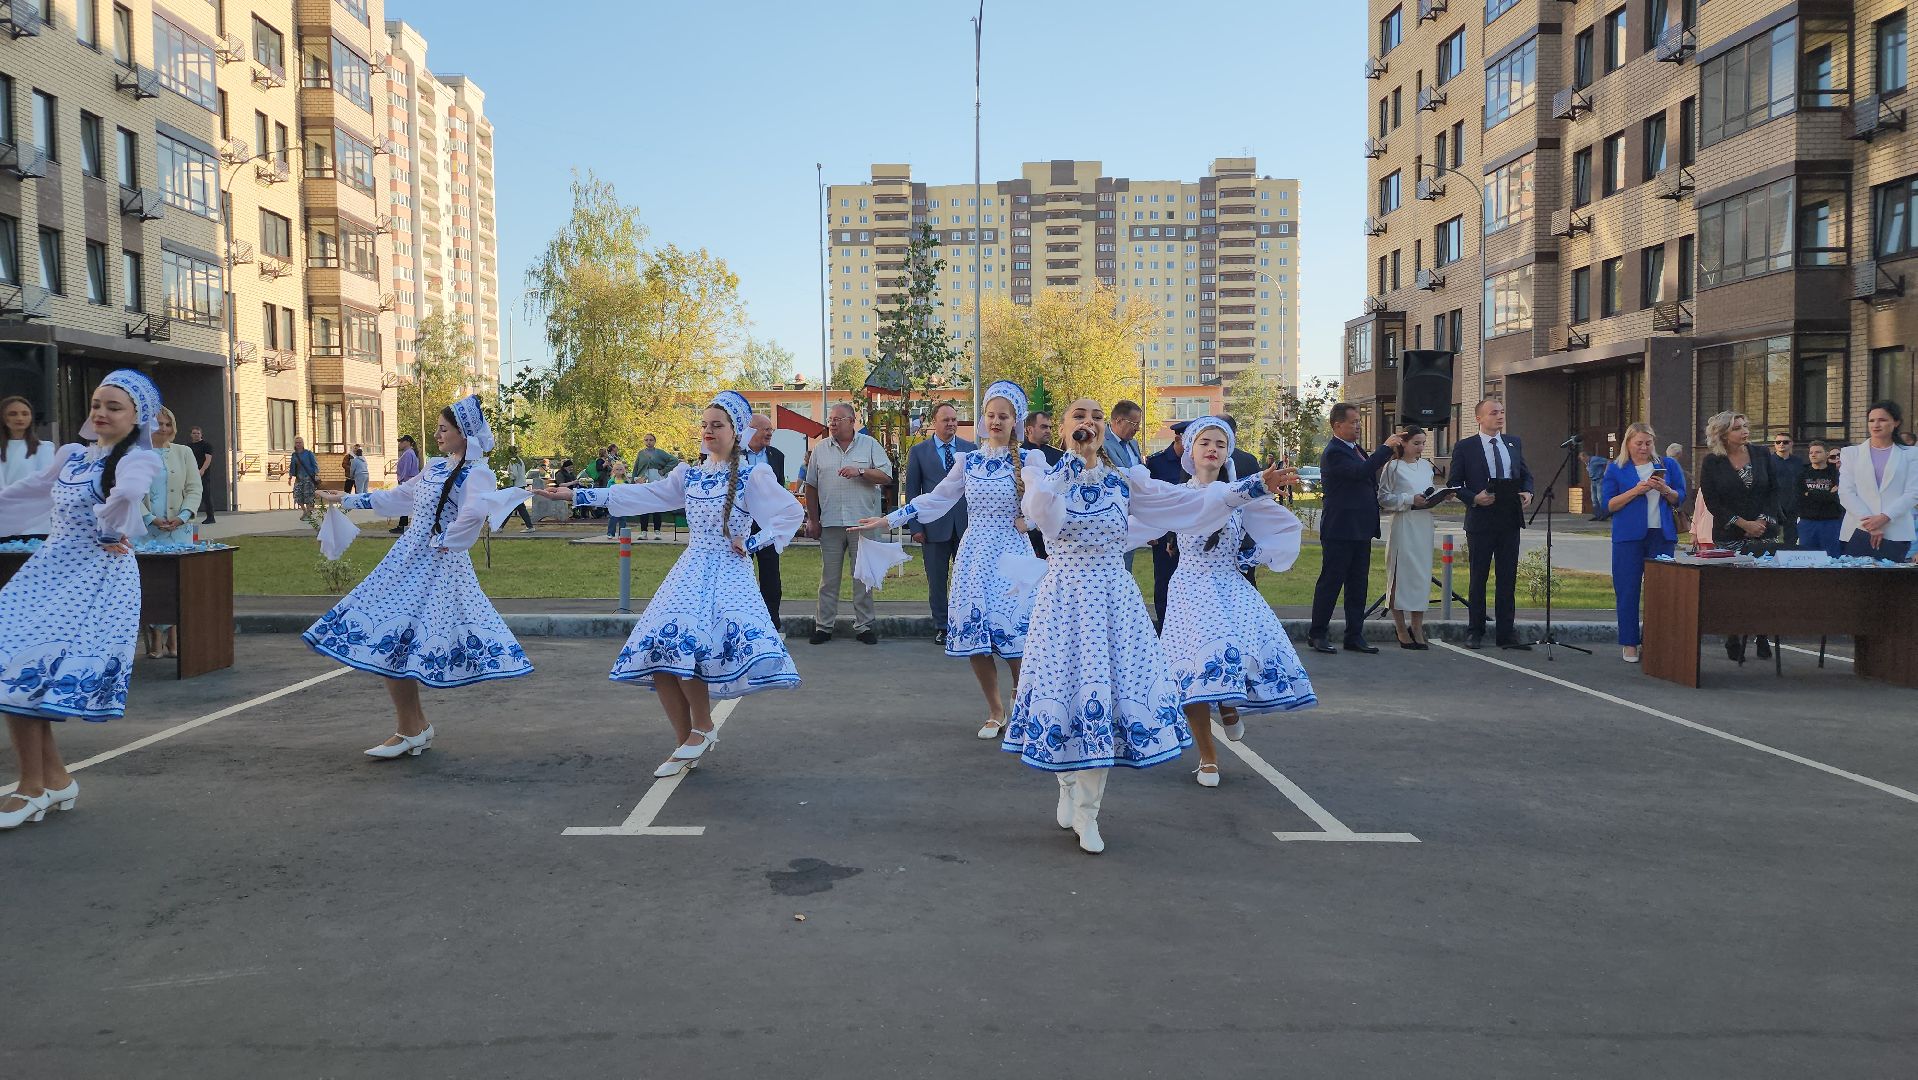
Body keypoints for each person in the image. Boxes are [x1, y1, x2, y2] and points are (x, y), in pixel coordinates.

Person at [1006, 398, 1290, 853]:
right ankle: (1065, 787)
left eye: (1096, 417)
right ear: (1062, 430)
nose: (1090, 424)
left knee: (1105, 697)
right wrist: (1072, 463)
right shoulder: (1044, 475)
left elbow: (1190, 503)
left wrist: (1253, 485)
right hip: (1064, 602)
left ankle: (1089, 811)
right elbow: (1040, 512)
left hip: (1114, 601)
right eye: (1079, 418)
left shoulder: (1127, 482)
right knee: (1062, 696)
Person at [536, 391, 802, 779]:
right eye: (705, 425)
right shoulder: (688, 474)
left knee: (687, 647)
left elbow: (790, 512)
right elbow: (643, 495)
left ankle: (703, 727)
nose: (708, 431)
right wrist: (578, 494)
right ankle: (688, 742)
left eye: (718, 425)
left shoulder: (753, 474)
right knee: (659, 651)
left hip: (726, 575)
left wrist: (753, 543)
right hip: (690, 571)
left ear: (736, 431)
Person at [307, 396, 533, 757]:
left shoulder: (478, 472)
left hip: (437, 565)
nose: (438, 435)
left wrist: (446, 539)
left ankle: (412, 728)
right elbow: (400, 497)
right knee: (392, 637)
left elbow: (474, 513)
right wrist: (347, 500)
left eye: (444, 429)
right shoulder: (436, 469)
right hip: (409, 558)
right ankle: (413, 727)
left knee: (397, 636)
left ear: (464, 433)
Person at [0, 370, 164, 829]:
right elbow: (29, 491)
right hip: (50, 570)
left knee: (25, 671)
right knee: (11, 668)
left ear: (137, 417)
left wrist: (118, 514)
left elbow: (132, 489)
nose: (101, 412)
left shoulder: (138, 459)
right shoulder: (71, 455)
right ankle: (53, 781)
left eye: (114, 407)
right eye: (97, 404)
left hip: (95, 580)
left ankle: (32, 788)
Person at [856, 381, 1043, 739]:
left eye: (1003, 416)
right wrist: (889, 519)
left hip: (1012, 555)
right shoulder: (968, 461)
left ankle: (1023, 703)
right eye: (990, 415)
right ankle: (995, 710)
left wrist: (1029, 521)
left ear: (1015, 420)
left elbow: (1045, 504)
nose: (995, 421)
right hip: (974, 556)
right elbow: (936, 499)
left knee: (1015, 636)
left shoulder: (1030, 460)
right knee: (977, 638)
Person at [1147, 417, 1313, 788]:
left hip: (1229, 587)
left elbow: (1284, 529)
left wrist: (1249, 560)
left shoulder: (1241, 494)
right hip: (1190, 589)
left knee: (1229, 655)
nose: (1213, 449)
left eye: (1221, 444)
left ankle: (1227, 705)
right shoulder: (1179, 494)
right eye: (1205, 442)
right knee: (1190, 671)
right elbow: (1143, 517)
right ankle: (1207, 757)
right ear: (1190, 450)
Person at [1307, 403, 1400, 655]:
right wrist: (1385, 449)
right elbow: (1360, 473)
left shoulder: (1356, 449)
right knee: (1331, 582)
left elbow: (1368, 478)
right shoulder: (1334, 452)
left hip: (1361, 529)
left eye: (1359, 421)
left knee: (1358, 584)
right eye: (1353, 422)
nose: (1358, 426)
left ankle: (1354, 635)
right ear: (1337, 425)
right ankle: (1317, 633)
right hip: (1340, 529)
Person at [802, 402, 893, 645]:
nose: (832, 423)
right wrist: (812, 518)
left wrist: (861, 472)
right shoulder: (820, 449)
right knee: (829, 579)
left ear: (852, 421)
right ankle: (823, 626)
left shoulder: (870, 445)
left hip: (862, 523)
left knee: (863, 577)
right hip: (830, 522)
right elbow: (811, 485)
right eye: (830, 419)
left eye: (837, 419)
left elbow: (886, 476)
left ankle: (864, 626)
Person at [1449, 398, 1535, 651]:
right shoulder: (1466, 447)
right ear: (1479, 418)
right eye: (1493, 413)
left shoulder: (1513, 443)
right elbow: (1455, 483)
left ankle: (1506, 633)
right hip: (1481, 519)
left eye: (1502, 412)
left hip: (1509, 519)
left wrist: (1528, 492)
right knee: (1479, 578)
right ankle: (1475, 630)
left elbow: (1525, 474)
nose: (1499, 416)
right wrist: (1474, 498)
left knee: (1507, 578)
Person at [1699, 410, 1782, 663]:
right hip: (1729, 533)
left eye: (1745, 426)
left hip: (1762, 532)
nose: (1744, 431)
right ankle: (1733, 634)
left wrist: (1761, 521)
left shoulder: (1761, 454)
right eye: (1737, 428)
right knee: (1734, 589)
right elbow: (1713, 501)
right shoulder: (1712, 461)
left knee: (1763, 589)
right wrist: (1742, 523)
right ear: (1722, 433)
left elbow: (1774, 491)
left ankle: (1762, 635)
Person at [1600, 422, 1686, 664]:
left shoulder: (1667, 465)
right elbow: (1608, 505)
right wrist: (1635, 491)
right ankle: (1629, 643)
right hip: (1628, 536)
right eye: (1639, 443)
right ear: (1628, 443)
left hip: (1661, 534)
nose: (1644, 448)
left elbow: (1681, 496)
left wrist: (1665, 489)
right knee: (1627, 590)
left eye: (1648, 443)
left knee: (1661, 591)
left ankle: (1656, 639)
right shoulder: (1617, 468)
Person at [904, 402, 972, 645]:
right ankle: (942, 626)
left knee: (966, 579)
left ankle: (965, 624)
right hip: (932, 526)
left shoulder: (970, 449)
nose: (951, 423)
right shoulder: (920, 452)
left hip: (966, 526)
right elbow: (912, 490)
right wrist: (915, 527)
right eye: (946, 420)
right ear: (934, 422)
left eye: (954, 419)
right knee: (937, 579)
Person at [140, 406, 204, 659]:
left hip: (179, 528)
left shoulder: (184, 452)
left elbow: (194, 488)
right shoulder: (136, 455)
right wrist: (150, 517)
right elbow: (130, 492)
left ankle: (174, 636)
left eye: (168, 424)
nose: (163, 429)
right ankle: (156, 637)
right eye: (158, 424)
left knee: (177, 583)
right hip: (148, 530)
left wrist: (183, 516)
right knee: (154, 584)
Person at [1376, 424, 1439, 649]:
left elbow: (1430, 490)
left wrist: (1440, 497)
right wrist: (1410, 499)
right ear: (1403, 443)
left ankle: (1417, 625)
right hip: (1404, 523)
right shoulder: (1392, 467)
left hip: (1424, 523)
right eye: (1416, 443)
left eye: (1423, 443)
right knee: (1401, 575)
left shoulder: (1426, 467)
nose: (1420, 447)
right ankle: (1400, 627)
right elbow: (1384, 499)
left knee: (1421, 576)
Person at [1838, 400, 1918, 562]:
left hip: (1896, 530)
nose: (1876, 424)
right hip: (1857, 529)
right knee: (1855, 583)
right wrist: (1870, 524)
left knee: (1891, 584)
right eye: (1872, 420)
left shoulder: (1911, 454)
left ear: (1896, 422)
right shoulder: (1851, 453)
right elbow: (1846, 492)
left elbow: (1913, 492)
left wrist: (1884, 517)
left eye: (1882, 420)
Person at [1143, 421, 1188, 629]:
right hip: (1162, 534)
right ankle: (1164, 630)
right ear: (1177, 439)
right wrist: (1149, 531)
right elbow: (1146, 498)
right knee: (1164, 584)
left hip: (1190, 532)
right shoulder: (1157, 463)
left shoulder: (1195, 462)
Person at [745, 414, 787, 623]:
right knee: (741, 575)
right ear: (751, 430)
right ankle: (744, 620)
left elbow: (779, 489)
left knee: (771, 575)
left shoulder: (777, 456)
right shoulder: (732, 454)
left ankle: (772, 622)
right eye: (766, 429)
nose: (770, 433)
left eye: (771, 430)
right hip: (740, 526)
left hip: (768, 525)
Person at [0, 394, 54, 541]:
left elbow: (44, 483)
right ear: (4, 418)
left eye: (25, 414)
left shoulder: (44, 448)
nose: (20, 418)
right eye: (13, 414)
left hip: (34, 523)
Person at [1104, 400, 1145, 572]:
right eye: (1134, 424)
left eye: (1138, 425)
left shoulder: (1133, 444)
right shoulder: (1100, 443)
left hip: (1131, 517)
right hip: (1110, 517)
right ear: (1118, 420)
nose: (1137, 429)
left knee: (1126, 570)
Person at [1021, 410, 1062, 558]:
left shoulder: (1059, 457)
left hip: (1050, 528)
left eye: (1050, 427)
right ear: (1029, 429)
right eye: (1044, 427)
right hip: (1024, 528)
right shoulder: (1018, 455)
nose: (1048, 431)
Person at [1796, 441, 1843, 557]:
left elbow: (1837, 497)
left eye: (1817, 452)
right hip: (1807, 522)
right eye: (1811, 452)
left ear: (1827, 454)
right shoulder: (1802, 474)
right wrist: (1827, 494)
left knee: (1831, 558)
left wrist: (1810, 494)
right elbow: (1799, 497)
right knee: (1807, 558)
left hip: (1830, 522)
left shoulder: (1836, 474)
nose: (1813, 454)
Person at [633, 433, 680, 540]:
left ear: (654, 441)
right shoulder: (640, 453)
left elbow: (674, 461)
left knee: (656, 506)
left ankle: (657, 531)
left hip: (656, 480)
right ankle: (643, 531)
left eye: (651, 440)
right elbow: (636, 468)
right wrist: (634, 482)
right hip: (643, 481)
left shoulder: (660, 453)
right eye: (646, 440)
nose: (648, 442)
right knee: (643, 507)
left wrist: (663, 471)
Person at [1769, 432, 1805, 549]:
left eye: (1785, 442)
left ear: (1791, 444)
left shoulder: (1798, 462)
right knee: (1772, 537)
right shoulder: (1768, 461)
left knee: (1791, 537)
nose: (1781, 444)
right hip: (1773, 505)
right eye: (1778, 442)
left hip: (1793, 504)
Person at [186, 425, 216, 524]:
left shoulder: (206, 445)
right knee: (189, 494)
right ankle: (187, 516)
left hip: (202, 474)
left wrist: (202, 470)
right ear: (191, 434)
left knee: (206, 495)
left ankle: (211, 517)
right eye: (194, 433)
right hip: (190, 473)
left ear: (201, 434)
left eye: (198, 433)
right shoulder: (188, 447)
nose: (196, 435)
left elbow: (208, 459)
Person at [391, 434, 420, 534]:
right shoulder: (411, 452)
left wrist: (401, 480)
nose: (400, 444)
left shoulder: (408, 453)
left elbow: (406, 469)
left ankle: (402, 526)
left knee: (404, 503)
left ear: (407, 442)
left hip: (407, 481)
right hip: (410, 481)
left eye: (402, 442)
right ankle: (403, 525)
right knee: (407, 503)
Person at [288, 436, 320, 524]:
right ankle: (305, 511)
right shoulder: (294, 455)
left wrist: (316, 474)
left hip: (308, 478)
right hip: (299, 478)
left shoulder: (308, 453)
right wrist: (290, 477)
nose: (298, 444)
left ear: (303, 444)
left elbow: (315, 464)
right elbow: (292, 466)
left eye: (300, 442)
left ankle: (308, 513)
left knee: (308, 496)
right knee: (297, 495)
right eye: (296, 443)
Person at [1585, 447, 1609, 521]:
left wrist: (1606, 472)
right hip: (1593, 481)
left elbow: (1608, 461)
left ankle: (1604, 514)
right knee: (1594, 499)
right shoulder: (1588, 463)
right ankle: (1597, 515)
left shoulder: (1595, 459)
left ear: (1586, 456)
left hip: (1599, 480)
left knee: (1600, 498)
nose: (1582, 460)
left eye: (1583, 458)